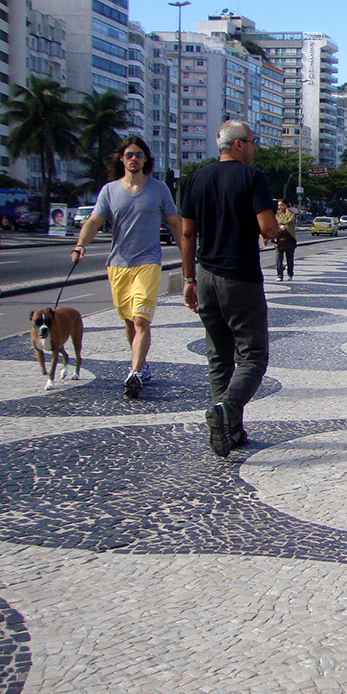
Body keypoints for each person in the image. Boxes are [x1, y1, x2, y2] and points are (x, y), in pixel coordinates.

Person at [179, 121, 279, 458]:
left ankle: (229, 431)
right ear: (237, 145)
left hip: (205, 276)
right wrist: (277, 231)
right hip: (241, 277)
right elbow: (267, 227)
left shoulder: (196, 178)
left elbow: (187, 234)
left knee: (219, 357)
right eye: (253, 142)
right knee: (253, 357)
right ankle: (226, 409)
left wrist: (189, 279)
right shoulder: (253, 178)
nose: (255, 148)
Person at [72, 136, 182, 397]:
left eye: (139, 155)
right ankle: (141, 365)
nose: (134, 159)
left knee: (141, 320)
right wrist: (80, 244)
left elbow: (175, 222)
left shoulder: (158, 189)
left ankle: (134, 373)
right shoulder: (109, 191)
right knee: (129, 322)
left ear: (146, 160)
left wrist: (187, 252)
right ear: (121, 159)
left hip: (148, 263)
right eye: (130, 155)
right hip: (118, 265)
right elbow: (94, 221)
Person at [274, 199, 297, 280]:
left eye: (281, 205)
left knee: (290, 258)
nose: (280, 207)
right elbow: (275, 222)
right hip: (279, 238)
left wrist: (281, 223)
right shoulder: (277, 214)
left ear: (286, 205)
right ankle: (279, 275)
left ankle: (290, 274)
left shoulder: (291, 214)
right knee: (278, 259)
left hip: (289, 238)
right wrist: (280, 225)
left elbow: (289, 221)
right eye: (279, 205)